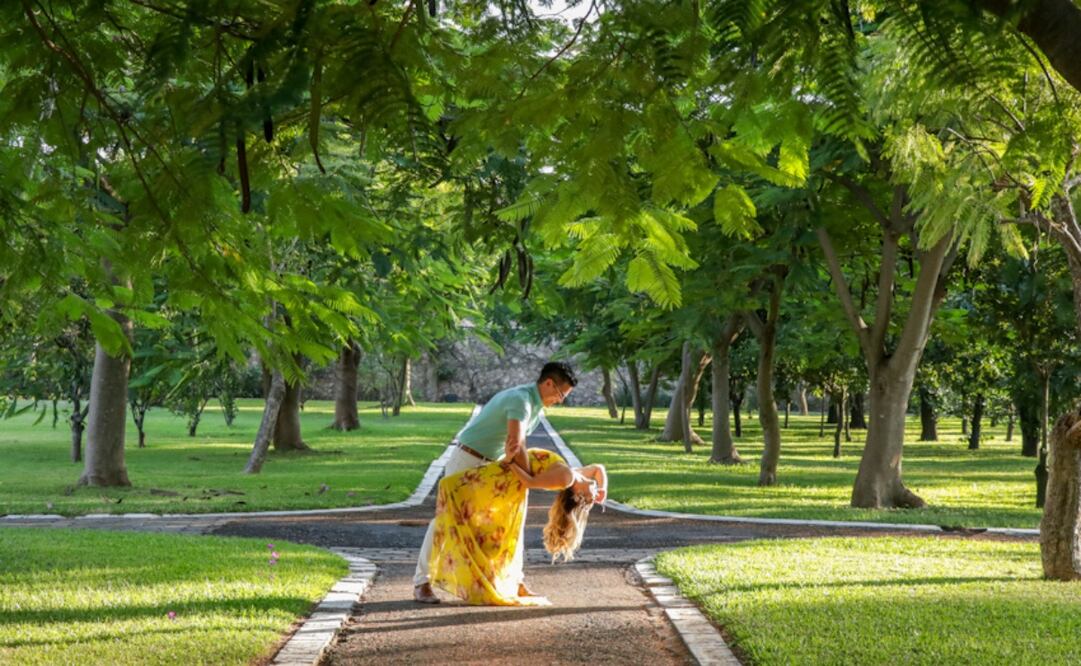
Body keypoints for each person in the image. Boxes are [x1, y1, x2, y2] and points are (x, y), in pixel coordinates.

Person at [413, 361, 578, 604]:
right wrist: (530, 478)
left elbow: (513, 447)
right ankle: (422, 582)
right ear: (548, 383)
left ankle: (516, 581)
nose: (560, 400)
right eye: (560, 394)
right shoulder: (521, 400)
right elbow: (516, 442)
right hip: (467, 459)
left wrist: (524, 475)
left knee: (510, 518)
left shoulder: (535, 405)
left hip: (493, 464)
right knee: (445, 520)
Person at [427, 447, 607, 605]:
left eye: (591, 498)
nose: (596, 492)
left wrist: (511, 462)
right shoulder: (575, 474)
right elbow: (599, 469)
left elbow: (530, 482)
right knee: (456, 493)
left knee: (452, 487)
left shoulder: (566, 478)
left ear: (578, 494)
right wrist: (604, 489)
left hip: (507, 477)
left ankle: (463, 575)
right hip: (508, 473)